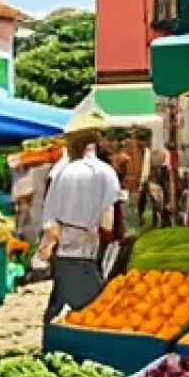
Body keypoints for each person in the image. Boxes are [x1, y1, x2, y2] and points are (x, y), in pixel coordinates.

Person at [36, 111, 121, 323]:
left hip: (64, 253)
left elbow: (51, 224)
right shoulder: (106, 173)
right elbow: (107, 224)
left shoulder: (60, 172)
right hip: (87, 253)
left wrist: (45, 250)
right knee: (90, 315)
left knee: (63, 310)